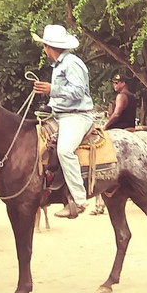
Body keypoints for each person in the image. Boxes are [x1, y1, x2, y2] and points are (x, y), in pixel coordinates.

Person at [32, 24, 94, 219]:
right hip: (61, 115)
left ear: (49, 47)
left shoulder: (72, 63)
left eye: (44, 45)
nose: (44, 49)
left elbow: (78, 92)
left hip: (76, 116)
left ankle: (79, 199)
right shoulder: (59, 64)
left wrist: (52, 89)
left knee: (64, 151)